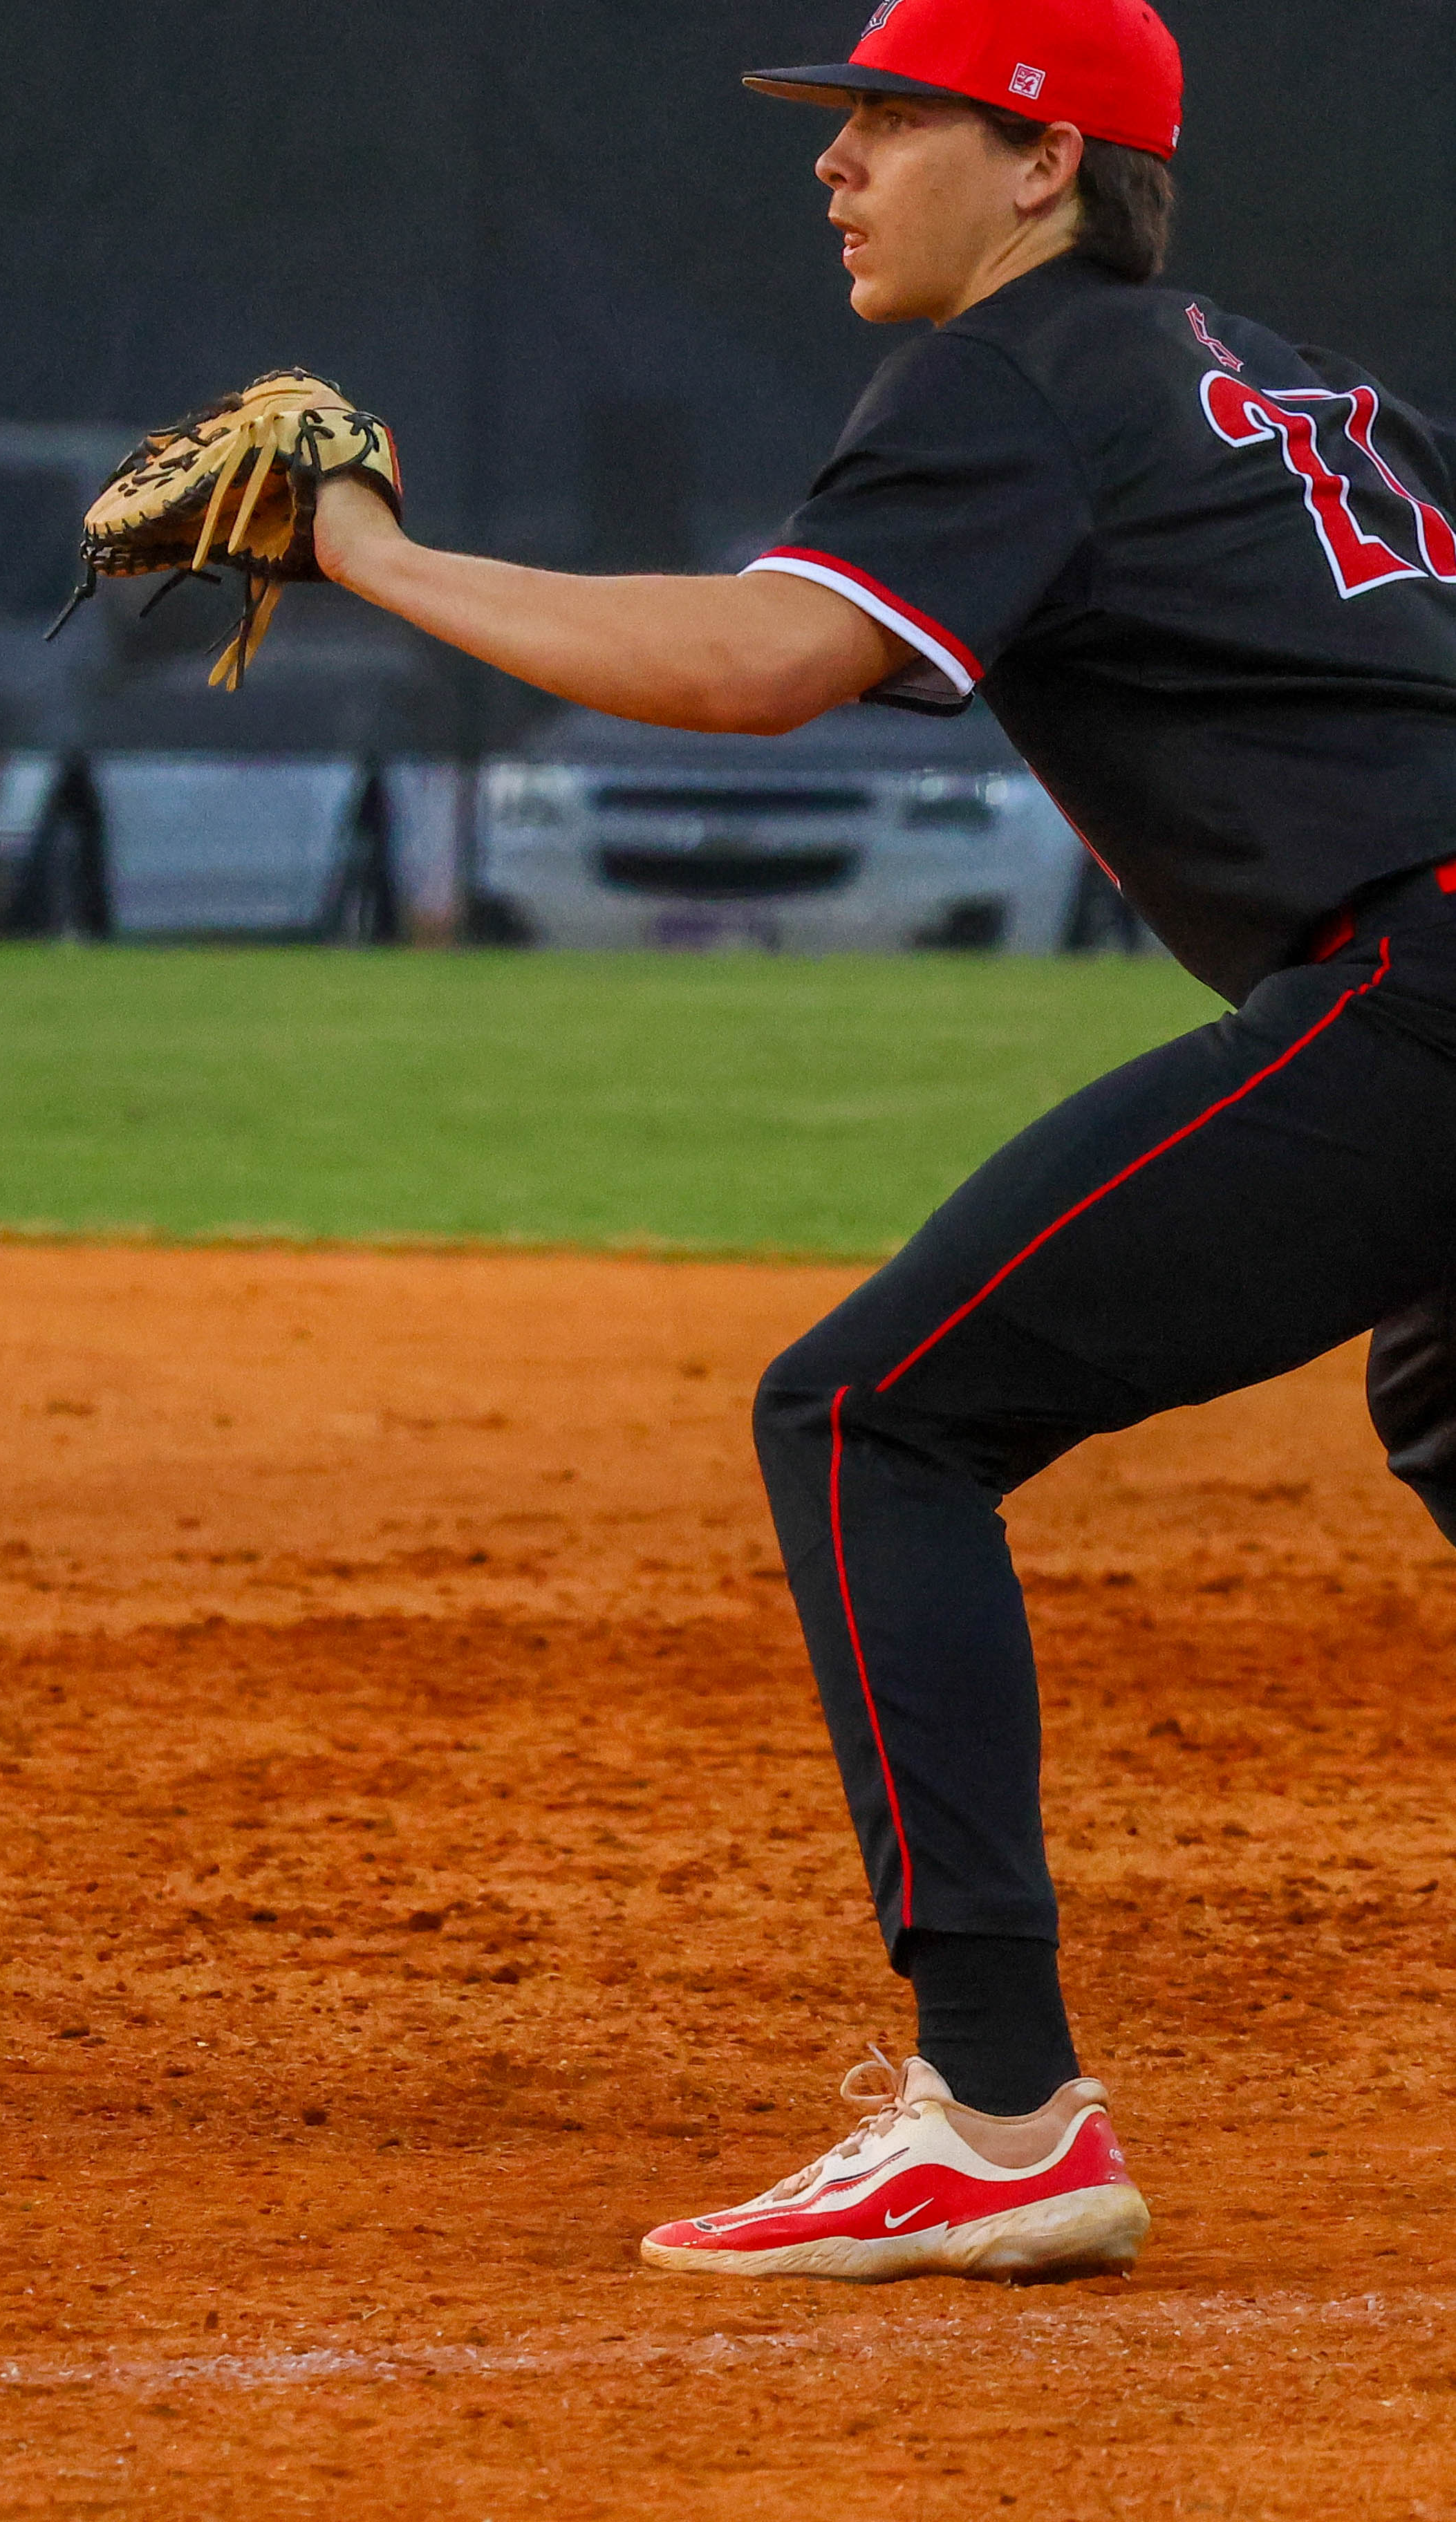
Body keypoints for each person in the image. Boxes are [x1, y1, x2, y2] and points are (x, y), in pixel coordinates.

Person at [301, 0, 1456, 2281]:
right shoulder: (1286, 385)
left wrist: (361, 551)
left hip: (1419, 979)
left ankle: (997, 2110)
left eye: (886, 120)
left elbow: (751, 666)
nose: (830, 162)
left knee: (863, 1414)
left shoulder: (1007, 372)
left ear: (1040, 166)